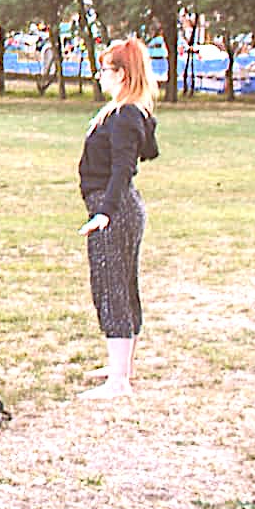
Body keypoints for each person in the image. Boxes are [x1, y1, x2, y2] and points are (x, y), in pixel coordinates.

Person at [76, 36, 160, 399]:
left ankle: (119, 382)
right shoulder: (128, 111)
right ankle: (120, 366)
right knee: (122, 285)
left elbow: (125, 167)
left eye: (105, 69)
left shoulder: (126, 115)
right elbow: (150, 150)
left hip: (115, 210)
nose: (99, 76)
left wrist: (105, 213)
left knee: (112, 288)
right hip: (120, 207)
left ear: (122, 74)